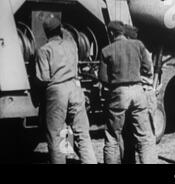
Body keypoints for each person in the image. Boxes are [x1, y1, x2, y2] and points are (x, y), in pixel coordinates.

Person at [35, 15, 96, 164]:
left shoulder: (44, 50)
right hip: (75, 89)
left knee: (56, 134)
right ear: (60, 29)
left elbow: (43, 78)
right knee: (82, 133)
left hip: (57, 91)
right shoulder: (72, 45)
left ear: (46, 32)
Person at [98, 21, 156, 164]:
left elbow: (103, 78)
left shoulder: (107, 50)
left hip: (119, 93)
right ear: (123, 32)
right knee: (144, 138)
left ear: (111, 33)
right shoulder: (138, 45)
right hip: (138, 92)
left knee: (112, 137)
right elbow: (148, 68)